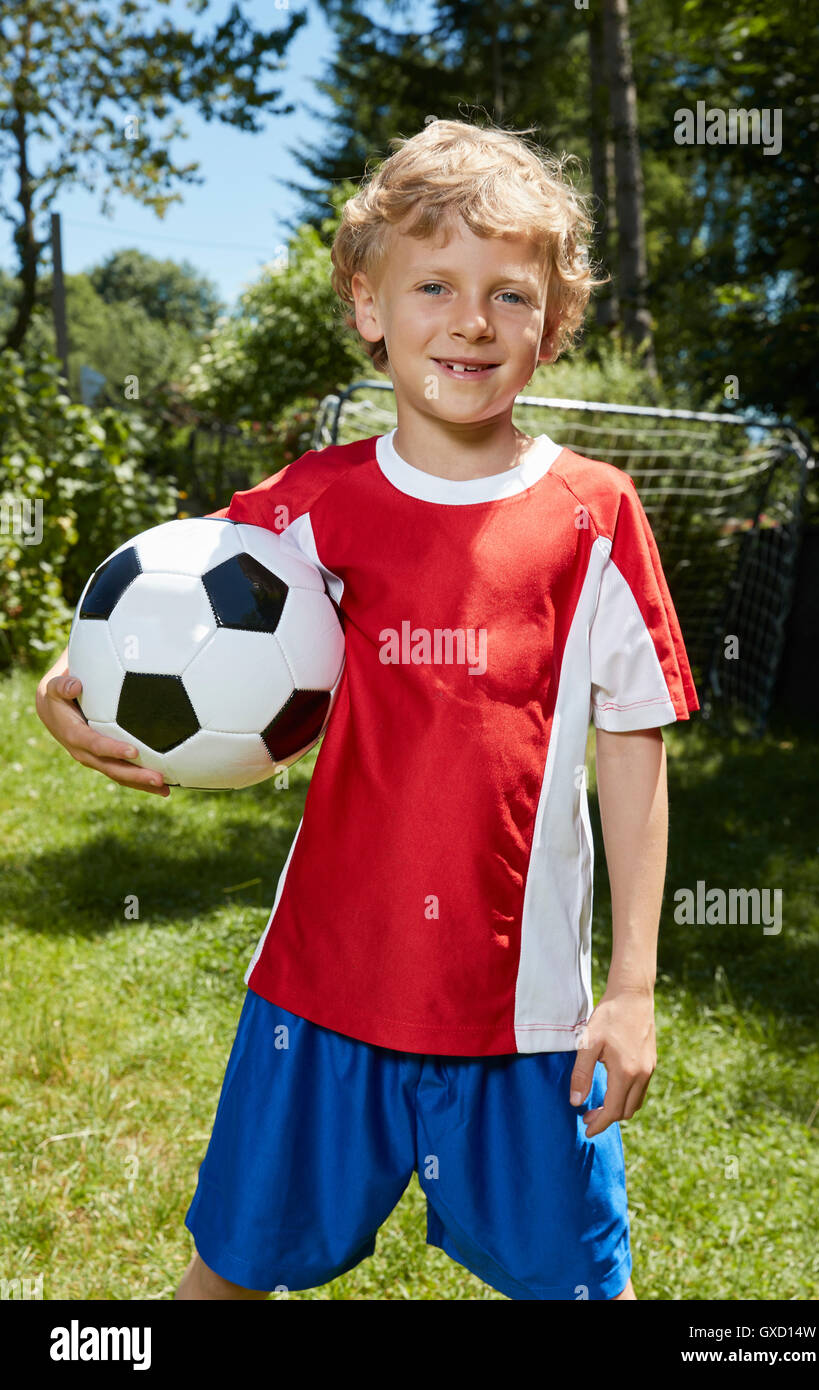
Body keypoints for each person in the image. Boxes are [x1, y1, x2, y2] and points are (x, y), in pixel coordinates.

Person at [35, 117, 699, 1301]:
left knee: (579, 1290)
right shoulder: (306, 509)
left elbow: (631, 747)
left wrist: (632, 988)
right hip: (319, 994)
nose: (471, 320)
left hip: (525, 1016)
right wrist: (64, 692)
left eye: (509, 293)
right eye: (432, 283)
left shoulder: (595, 514)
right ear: (366, 305)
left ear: (552, 323)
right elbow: (153, 616)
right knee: (229, 1270)